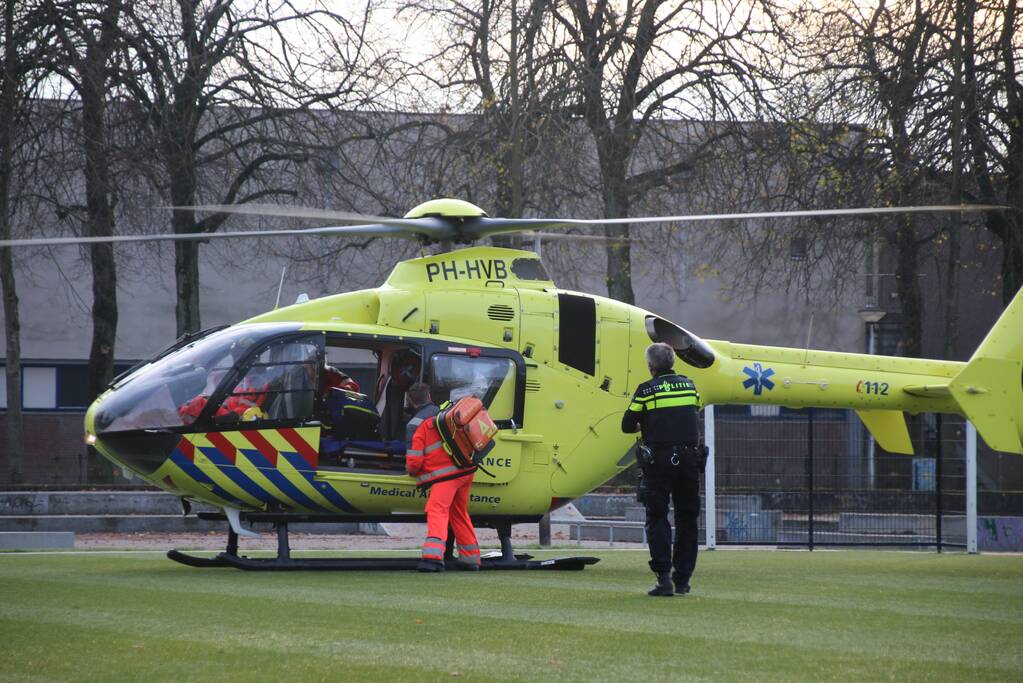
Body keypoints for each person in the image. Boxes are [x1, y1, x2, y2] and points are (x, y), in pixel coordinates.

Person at [622, 342, 704, 597]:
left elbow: (627, 424)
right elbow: (692, 411)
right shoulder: (690, 386)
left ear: (651, 366)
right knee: (687, 519)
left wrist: (647, 423)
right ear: (672, 363)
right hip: (689, 460)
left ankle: (664, 579)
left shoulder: (646, 390)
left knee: (657, 517)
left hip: (659, 461)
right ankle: (683, 580)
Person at [404, 382, 481, 572]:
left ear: (411, 402)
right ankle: (471, 559)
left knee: (437, 511)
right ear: (429, 397)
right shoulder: (446, 415)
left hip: (445, 478)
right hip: (466, 472)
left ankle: (433, 558)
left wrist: (413, 472)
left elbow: (414, 463)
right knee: (459, 513)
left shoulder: (420, 426)